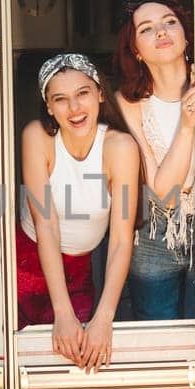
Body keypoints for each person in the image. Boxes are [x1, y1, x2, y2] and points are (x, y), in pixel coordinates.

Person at [18, 53, 139, 371]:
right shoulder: (37, 137)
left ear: (100, 93)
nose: (74, 109)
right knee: (32, 355)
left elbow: (121, 240)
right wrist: (63, 312)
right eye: (61, 99)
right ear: (48, 106)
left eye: (82, 93)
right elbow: (46, 226)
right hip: (27, 259)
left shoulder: (120, 147)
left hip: (80, 266)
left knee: (84, 354)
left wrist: (104, 317)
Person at [112, 0, 195, 320]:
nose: (161, 32)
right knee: (158, 331)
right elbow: (165, 195)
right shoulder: (129, 103)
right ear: (135, 50)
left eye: (169, 22)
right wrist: (187, 124)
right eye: (146, 28)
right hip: (154, 235)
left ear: (186, 35)